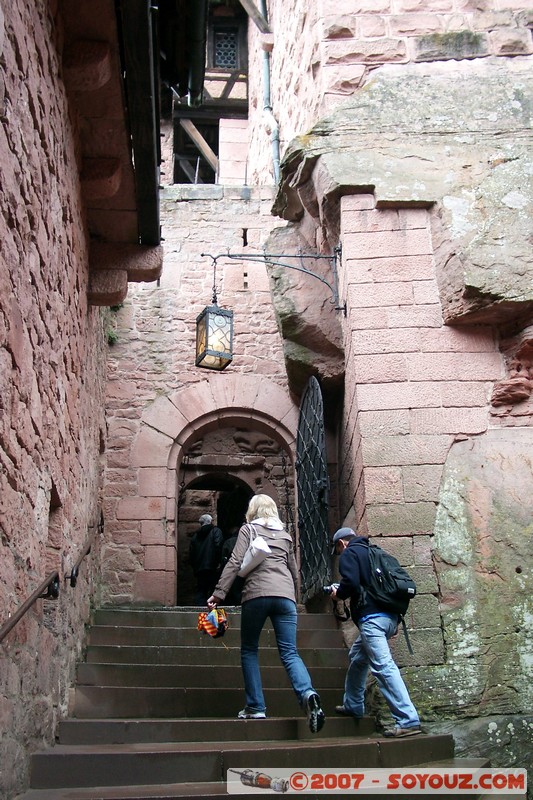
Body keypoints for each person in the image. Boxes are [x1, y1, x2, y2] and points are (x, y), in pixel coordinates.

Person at [207, 494, 325, 734]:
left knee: (250, 650)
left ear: (253, 510)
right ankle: (307, 693)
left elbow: (234, 562)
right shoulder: (285, 535)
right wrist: (294, 596)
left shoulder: (248, 530)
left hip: (257, 595)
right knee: (290, 652)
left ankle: (255, 706)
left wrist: (218, 594)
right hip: (285, 598)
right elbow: (293, 570)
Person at [329, 526, 421, 738]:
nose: (340, 553)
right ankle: (353, 704)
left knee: (383, 666)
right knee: (358, 657)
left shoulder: (350, 553)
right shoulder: (376, 552)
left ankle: (408, 720)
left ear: (342, 543)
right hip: (390, 619)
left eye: (338, 549)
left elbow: (350, 583)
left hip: (372, 620)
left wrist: (338, 594)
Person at [189, 514, 224, 604]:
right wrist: (219, 562)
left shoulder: (195, 536)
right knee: (213, 591)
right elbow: (218, 546)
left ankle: (199, 612)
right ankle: (211, 615)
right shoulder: (216, 531)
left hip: (199, 568)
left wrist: (195, 567)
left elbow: (191, 554)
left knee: (201, 590)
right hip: (212, 566)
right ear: (211, 521)